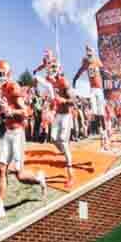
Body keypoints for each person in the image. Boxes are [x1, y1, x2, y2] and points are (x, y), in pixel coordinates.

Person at [0, 60, 46, 227]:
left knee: (20, 175)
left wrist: (10, 111)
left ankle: (39, 178)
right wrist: (4, 113)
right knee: (2, 168)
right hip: (8, 132)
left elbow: (26, 112)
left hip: (18, 133)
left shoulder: (13, 87)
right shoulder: (3, 88)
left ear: (8, 73)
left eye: (1, 73)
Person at [73, 45, 109, 150]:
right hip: (93, 90)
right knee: (94, 111)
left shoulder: (97, 61)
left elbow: (104, 70)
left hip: (99, 89)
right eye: (87, 52)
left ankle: (105, 136)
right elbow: (80, 71)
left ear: (93, 53)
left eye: (90, 52)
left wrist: (109, 74)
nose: (89, 54)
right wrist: (75, 79)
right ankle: (101, 133)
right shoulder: (85, 63)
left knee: (101, 113)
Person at [47, 60, 75, 189]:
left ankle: (71, 175)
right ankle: (65, 153)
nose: (52, 69)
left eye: (54, 67)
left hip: (66, 115)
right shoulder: (53, 81)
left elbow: (73, 101)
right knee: (53, 138)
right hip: (58, 114)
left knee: (63, 141)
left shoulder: (64, 81)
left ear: (59, 68)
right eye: (51, 67)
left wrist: (63, 100)